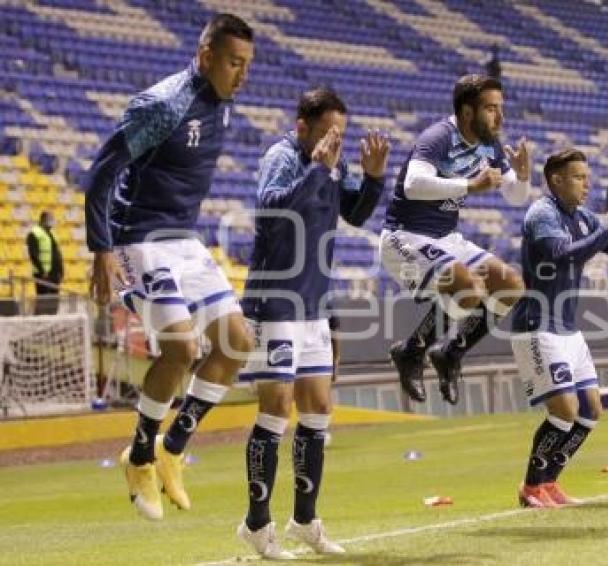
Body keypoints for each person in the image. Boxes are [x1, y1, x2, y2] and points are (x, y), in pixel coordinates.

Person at [83, 13, 255, 520]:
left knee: (238, 341)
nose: (241, 75)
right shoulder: (163, 105)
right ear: (205, 58)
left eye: (246, 64)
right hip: (139, 238)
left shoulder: (223, 103)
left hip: (185, 240)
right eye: (232, 63)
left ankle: (172, 447)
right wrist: (102, 250)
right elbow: (100, 174)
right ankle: (138, 456)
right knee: (182, 347)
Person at [237, 87, 389, 559]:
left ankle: (305, 520)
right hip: (275, 303)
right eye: (326, 134)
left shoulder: (332, 162)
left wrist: (374, 178)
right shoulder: (282, 157)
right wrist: (317, 168)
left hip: (312, 307)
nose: (332, 143)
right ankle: (256, 525)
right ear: (302, 126)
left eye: (338, 135)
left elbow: (357, 214)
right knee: (276, 409)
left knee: (319, 409)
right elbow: (272, 210)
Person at [511, 148, 608, 507]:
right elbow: (565, 255)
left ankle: (549, 484)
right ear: (557, 180)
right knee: (564, 411)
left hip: (568, 328)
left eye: (587, 177)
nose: (587, 183)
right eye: (579, 177)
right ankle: (530, 488)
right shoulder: (542, 214)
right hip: (538, 325)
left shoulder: (582, 216)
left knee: (590, 409)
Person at [381, 74, 530, 405]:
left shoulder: (488, 144)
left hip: (446, 237)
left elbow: (517, 197)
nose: (500, 117)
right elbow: (413, 184)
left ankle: (450, 352)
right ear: (467, 112)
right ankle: (412, 351)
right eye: (491, 109)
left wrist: (522, 175)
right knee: (470, 289)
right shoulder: (438, 136)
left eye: (500, 108)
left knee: (510, 286)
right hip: (404, 238)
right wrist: (469, 186)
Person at [26, 210, 63, 315]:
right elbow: (33, 254)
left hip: (54, 275)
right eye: (49, 219)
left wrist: (60, 272)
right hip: (43, 275)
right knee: (44, 302)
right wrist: (42, 272)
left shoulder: (52, 234)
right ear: (43, 220)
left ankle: (52, 324)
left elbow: (57, 254)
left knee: (53, 303)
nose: (52, 222)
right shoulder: (35, 233)